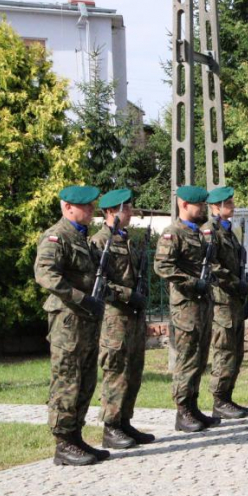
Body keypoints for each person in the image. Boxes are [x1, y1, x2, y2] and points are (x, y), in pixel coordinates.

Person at [35, 185, 110, 465]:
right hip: (68, 320)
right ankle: (63, 443)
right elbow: (45, 275)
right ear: (68, 207)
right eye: (86, 206)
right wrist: (81, 298)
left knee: (86, 380)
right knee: (67, 379)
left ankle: (76, 436)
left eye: (92, 205)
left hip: (86, 320)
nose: (91, 210)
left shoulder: (82, 238)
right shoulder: (57, 236)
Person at [90, 189, 154, 450]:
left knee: (134, 369)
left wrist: (141, 294)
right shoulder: (99, 242)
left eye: (129, 207)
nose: (129, 212)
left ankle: (125, 420)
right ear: (110, 211)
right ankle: (111, 426)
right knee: (116, 370)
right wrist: (128, 295)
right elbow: (98, 283)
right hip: (115, 317)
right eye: (125, 208)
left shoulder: (127, 239)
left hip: (134, 316)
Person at [154, 185, 220, 433]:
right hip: (186, 307)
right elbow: (163, 267)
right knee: (187, 359)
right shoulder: (173, 233)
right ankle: (182, 411)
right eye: (199, 205)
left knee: (200, 358)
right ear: (184, 205)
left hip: (202, 305)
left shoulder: (198, 234)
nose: (203, 209)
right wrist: (192, 282)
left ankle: (193, 407)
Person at [201, 187, 248, 417]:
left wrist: (243, 293)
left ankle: (228, 396)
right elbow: (212, 265)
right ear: (216, 206)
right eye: (229, 203)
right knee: (224, 351)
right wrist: (234, 282)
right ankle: (219, 399)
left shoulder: (229, 231)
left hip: (235, 299)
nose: (233, 206)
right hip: (221, 300)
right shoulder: (210, 231)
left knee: (237, 351)